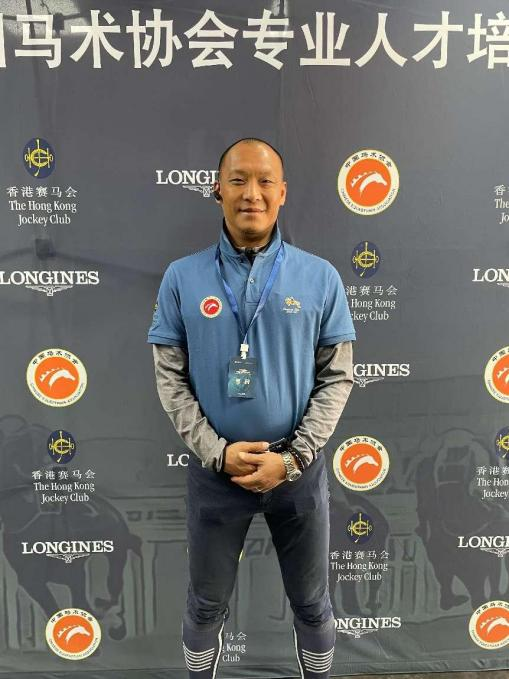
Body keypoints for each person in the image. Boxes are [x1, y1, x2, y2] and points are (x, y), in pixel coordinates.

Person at [148, 137, 356, 679]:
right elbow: (170, 378)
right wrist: (217, 453)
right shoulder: (182, 277)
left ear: (282, 192)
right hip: (217, 474)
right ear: (217, 190)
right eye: (238, 180)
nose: (252, 194)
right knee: (205, 606)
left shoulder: (320, 277)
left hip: (298, 474)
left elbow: (337, 377)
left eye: (265, 181)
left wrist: (294, 458)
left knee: (312, 604)